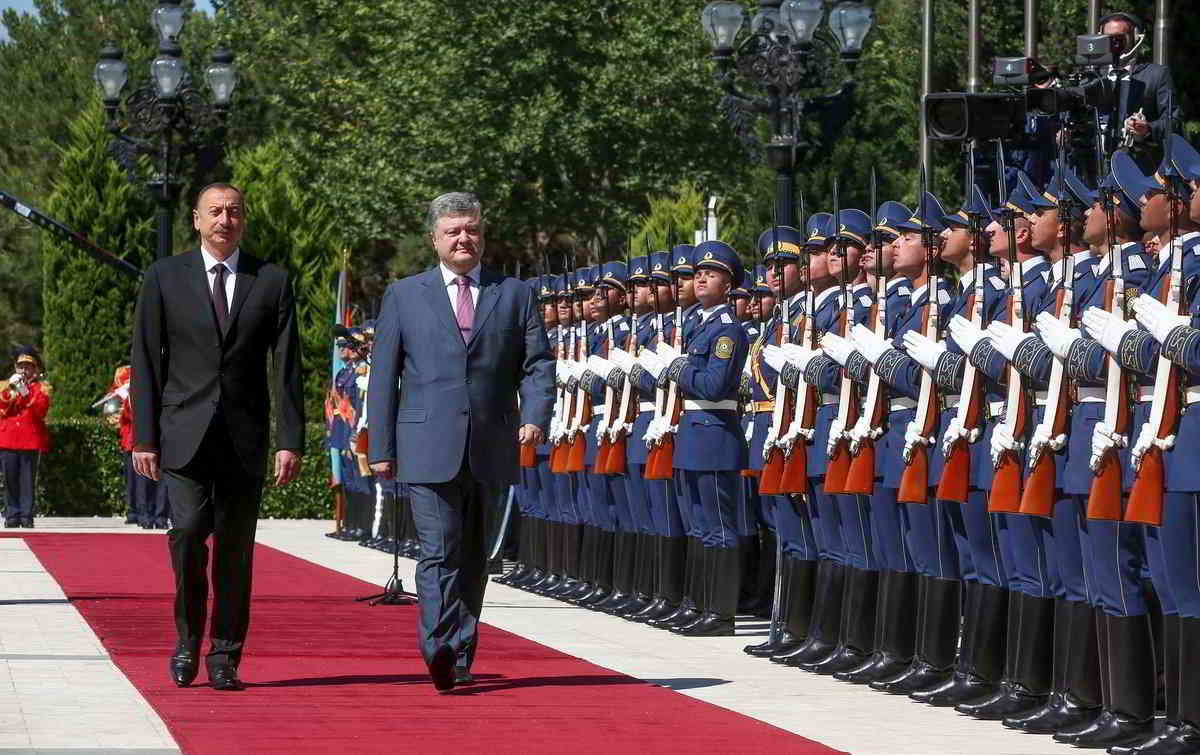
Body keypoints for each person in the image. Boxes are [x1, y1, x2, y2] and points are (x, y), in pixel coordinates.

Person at [367, 191, 553, 692]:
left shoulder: (513, 294)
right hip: (428, 445)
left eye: (471, 229)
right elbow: (384, 376)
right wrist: (380, 448)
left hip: (490, 445)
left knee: (474, 556)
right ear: (435, 239)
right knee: (438, 551)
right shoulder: (405, 295)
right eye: (453, 231)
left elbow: (537, 364)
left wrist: (534, 417)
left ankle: (463, 649)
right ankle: (439, 646)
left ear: (482, 234)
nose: (463, 238)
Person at [130, 182, 305, 692]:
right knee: (186, 534)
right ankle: (186, 640)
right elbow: (145, 358)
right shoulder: (164, 278)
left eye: (233, 212)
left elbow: (288, 366)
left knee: (235, 549)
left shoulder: (270, 280)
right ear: (195, 219)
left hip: (243, 439)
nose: (224, 220)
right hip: (182, 435)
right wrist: (145, 437)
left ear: (243, 220)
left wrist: (289, 439)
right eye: (215, 212)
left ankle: (225, 654)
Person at [0, 346, 50, 528]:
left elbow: (40, 411)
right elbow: (2, 410)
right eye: (21, 366)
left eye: (28, 367)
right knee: (10, 479)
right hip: (8, 439)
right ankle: (12, 515)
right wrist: (11, 390)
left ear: (35, 369)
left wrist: (25, 392)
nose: (24, 370)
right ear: (15, 368)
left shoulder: (42, 388)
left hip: (29, 440)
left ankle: (26, 515)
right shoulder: (5, 386)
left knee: (27, 480)